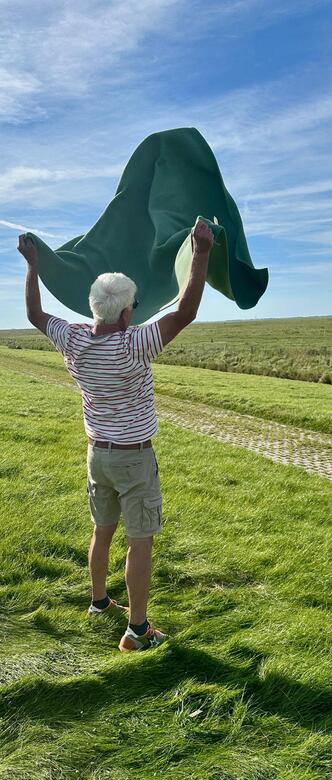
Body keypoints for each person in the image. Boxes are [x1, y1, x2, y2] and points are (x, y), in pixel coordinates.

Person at [18, 217, 214, 653]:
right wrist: (200, 251)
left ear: (92, 306)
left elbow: (34, 314)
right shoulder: (134, 344)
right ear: (128, 312)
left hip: (97, 457)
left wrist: (32, 265)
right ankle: (138, 632)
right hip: (134, 459)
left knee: (101, 531)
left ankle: (99, 603)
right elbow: (185, 311)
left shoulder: (72, 340)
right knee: (139, 543)